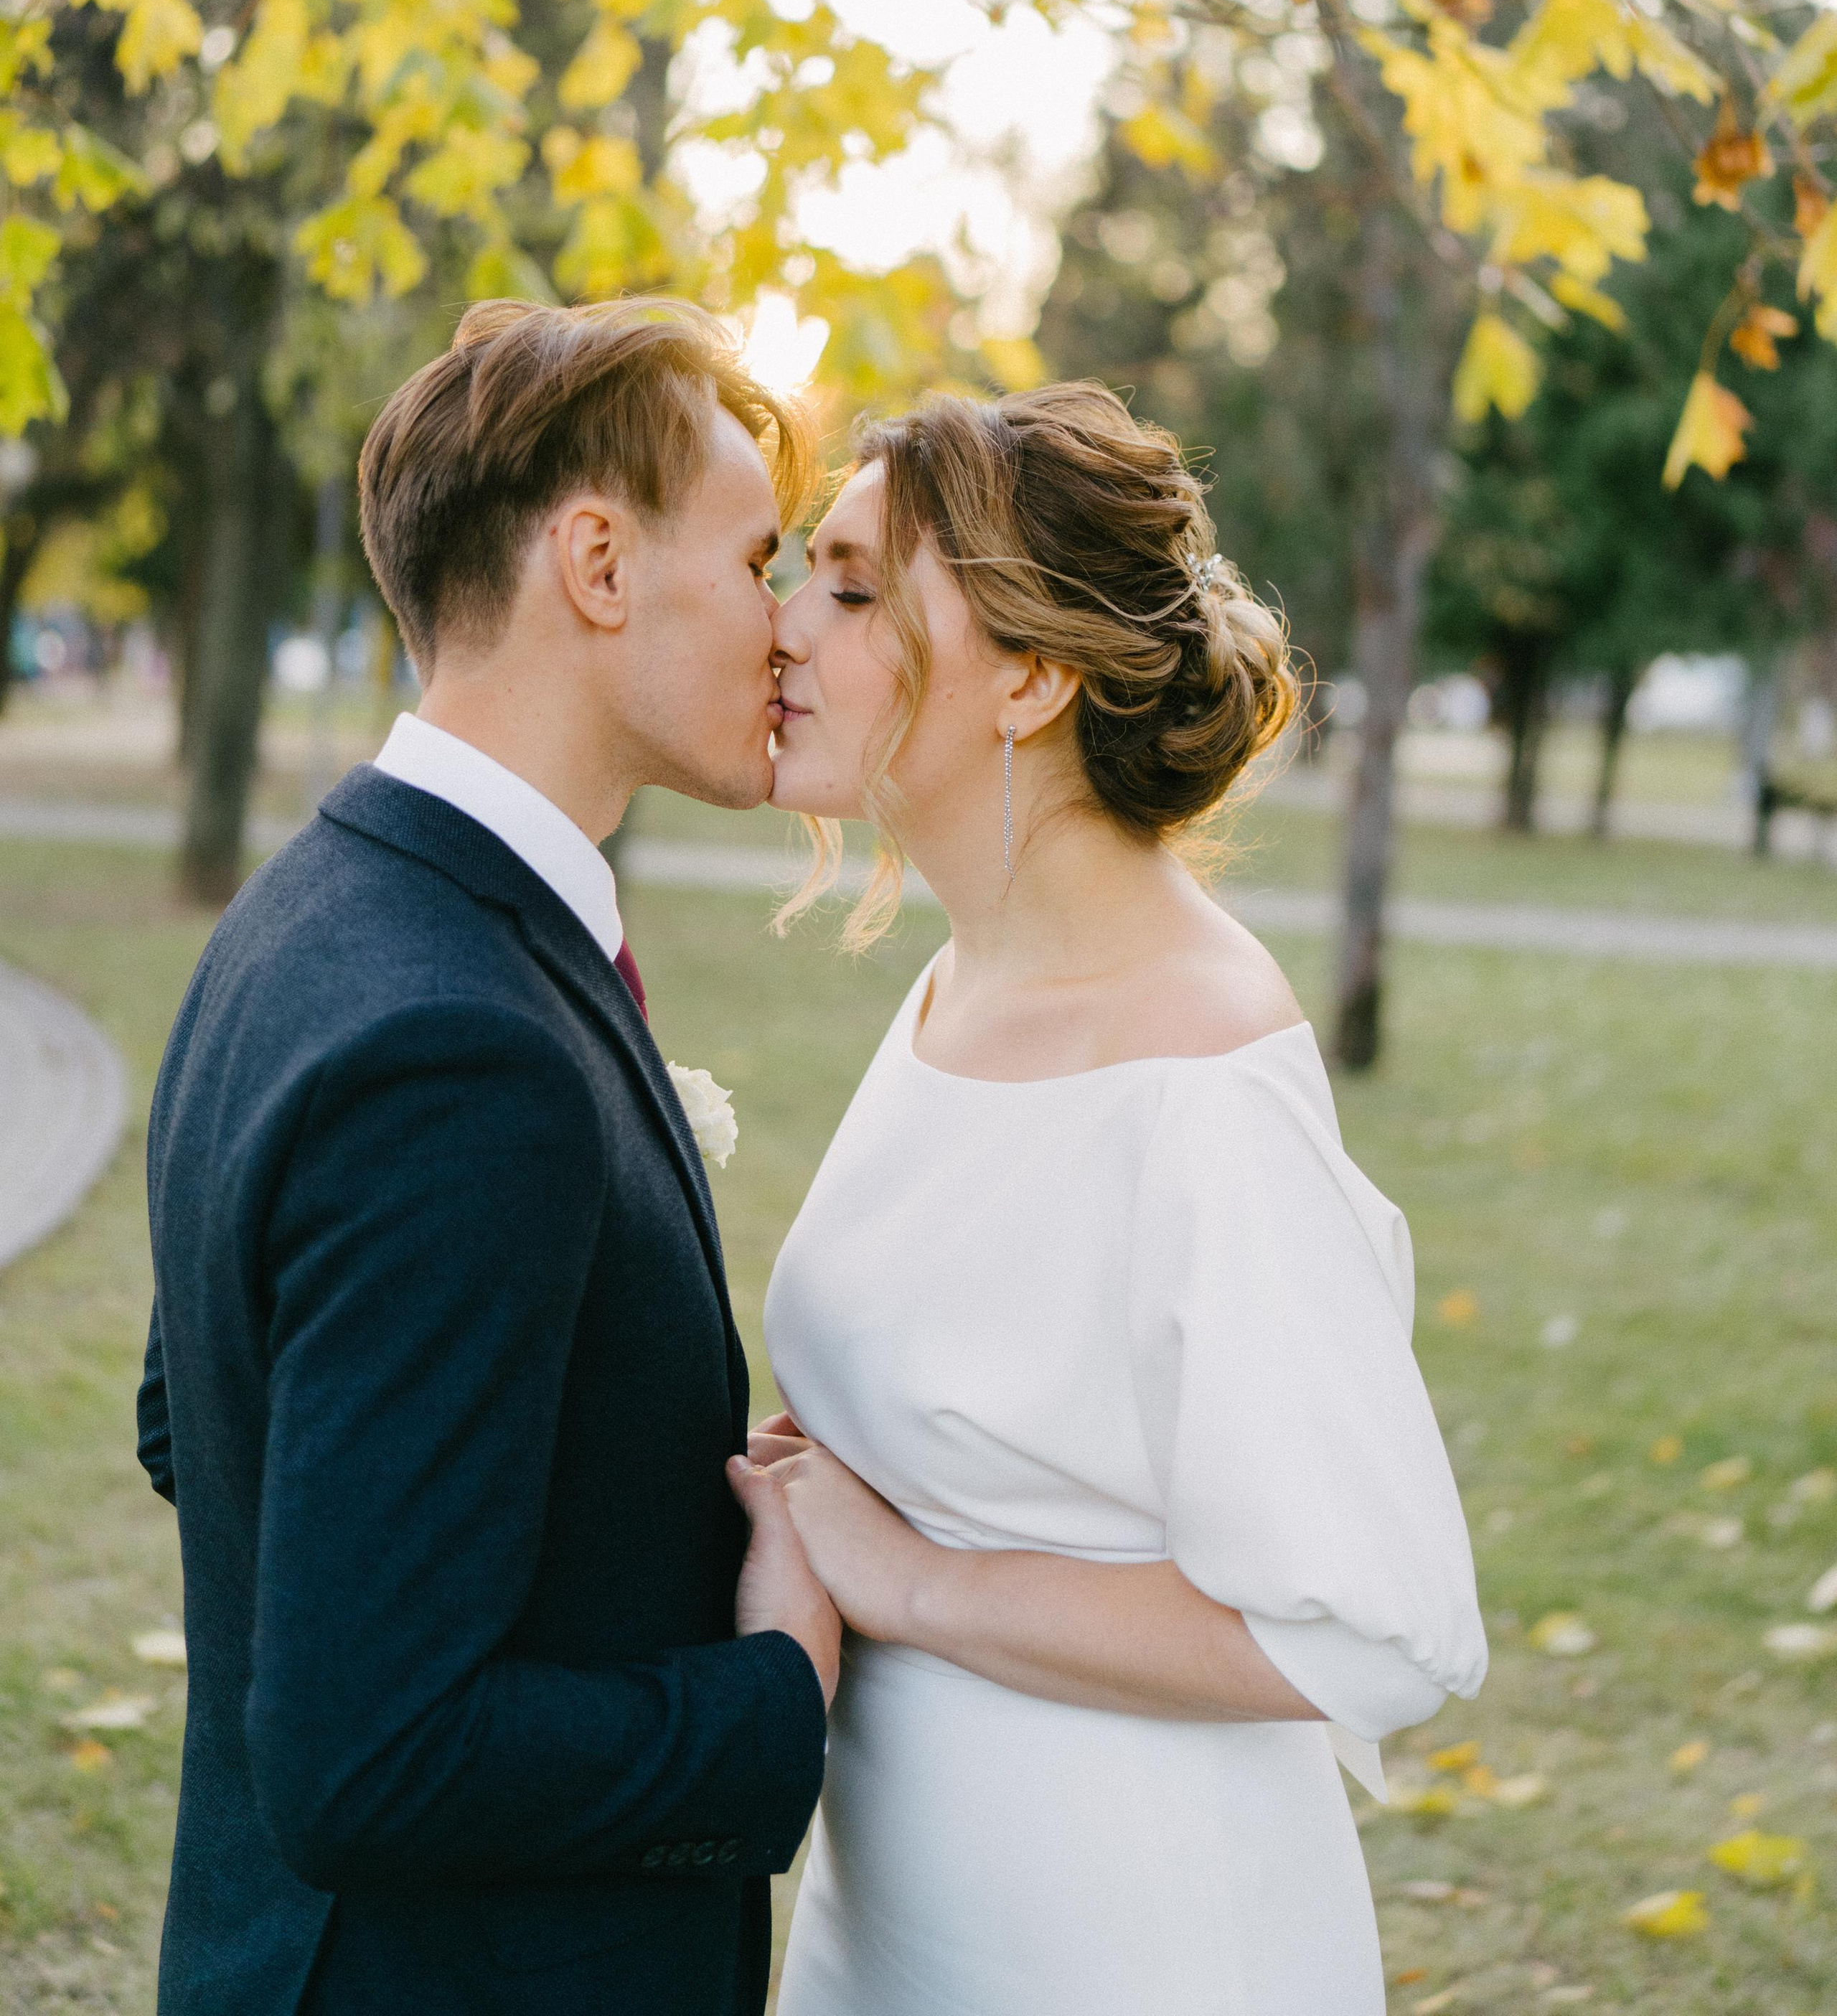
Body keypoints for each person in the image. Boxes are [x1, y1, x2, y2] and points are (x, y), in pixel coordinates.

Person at [137, 297, 838, 2016]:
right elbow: (369, 1760)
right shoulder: (462, 1047)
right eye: (758, 559)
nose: (788, 623)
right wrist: (775, 1687)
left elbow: (197, 1413)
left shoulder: (302, 911)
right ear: (595, 563)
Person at [756, 382, 1487, 2016]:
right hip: (900, 1927)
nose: (785, 629)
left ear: (1026, 675)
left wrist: (914, 1582)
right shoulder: (961, 979)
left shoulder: (1202, 1076)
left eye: (856, 589)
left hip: (1134, 1947)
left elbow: (1364, 1632)